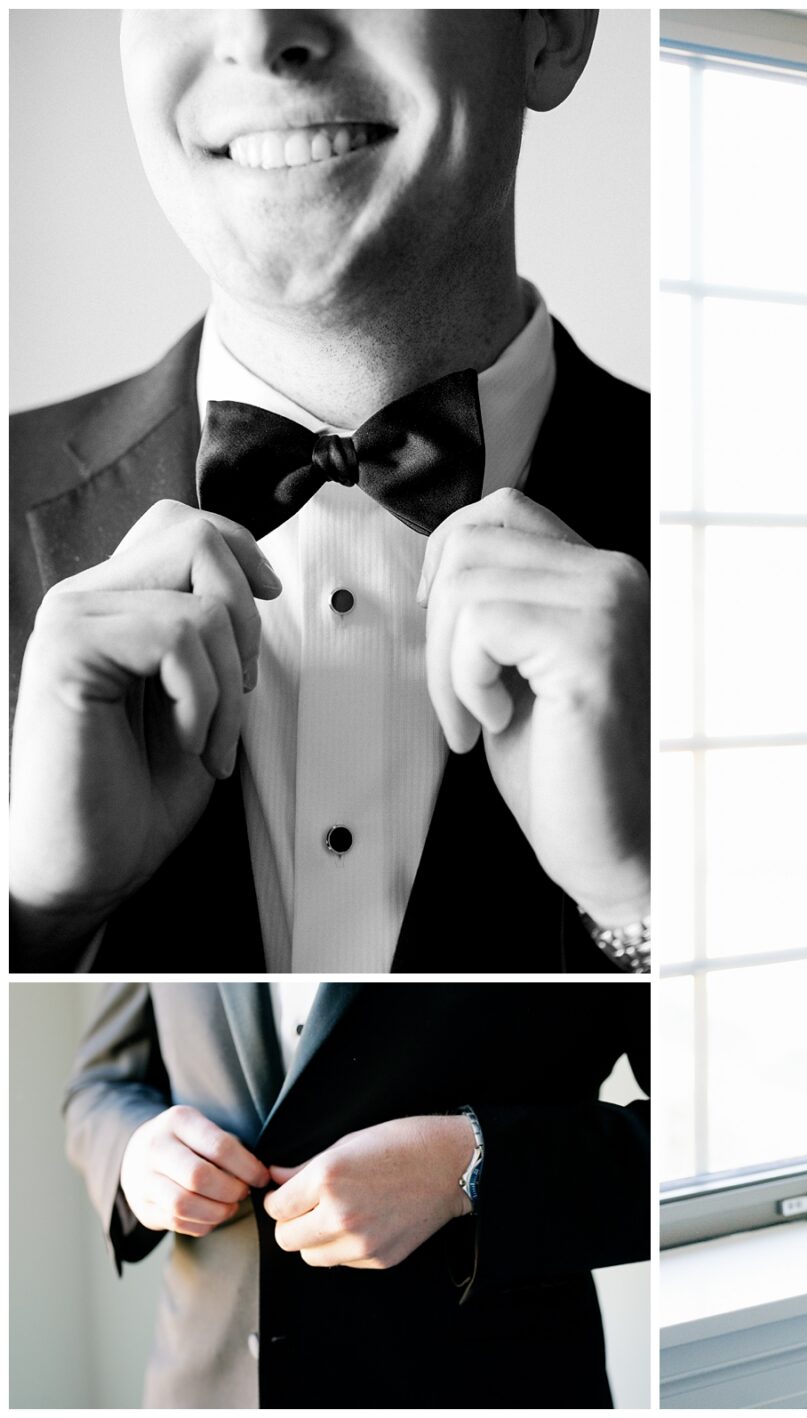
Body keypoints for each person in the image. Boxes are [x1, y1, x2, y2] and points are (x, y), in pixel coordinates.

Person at [10, 11, 648, 973]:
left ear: (550, 30)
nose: (262, 31)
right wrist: (39, 917)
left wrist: (639, 898)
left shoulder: (765, 530)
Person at [64, 981, 648, 1407]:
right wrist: (133, 1154)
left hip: (483, 1380)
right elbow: (102, 1083)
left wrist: (468, 1164)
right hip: (203, 1383)